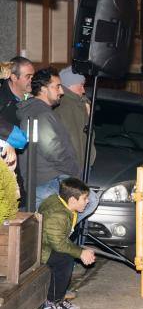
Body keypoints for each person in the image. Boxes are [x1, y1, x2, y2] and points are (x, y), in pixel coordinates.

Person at [17, 68, 99, 220]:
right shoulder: (41, 113)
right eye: (57, 86)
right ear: (43, 89)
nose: (61, 91)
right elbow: (53, 150)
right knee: (89, 200)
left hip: (48, 178)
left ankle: (55, 239)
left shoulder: (42, 111)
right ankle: (57, 239)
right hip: (48, 180)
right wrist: (75, 172)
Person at [38, 177, 95, 309]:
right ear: (72, 200)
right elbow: (58, 243)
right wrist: (80, 253)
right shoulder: (59, 214)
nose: (87, 201)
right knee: (65, 260)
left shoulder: (61, 204)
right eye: (84, 198)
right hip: (41, 250)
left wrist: (80, 251)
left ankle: (58, 298)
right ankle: (51, 303)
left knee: (67, 256)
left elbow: (59, 239)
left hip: (47, 244)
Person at [1, 57, 33, 197]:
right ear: (14, 77)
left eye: (33, 76)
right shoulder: (3, 101)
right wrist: (8, 140)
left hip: (28, 172)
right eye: (28, 76)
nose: (32, 80)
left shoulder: (32, 99)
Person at [54, 67, 95, 170]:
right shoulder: (67, 106)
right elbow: (75, 141)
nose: (83, 90)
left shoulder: (78, 104)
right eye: (81, 85)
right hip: (75, 168)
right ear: (70, 85)